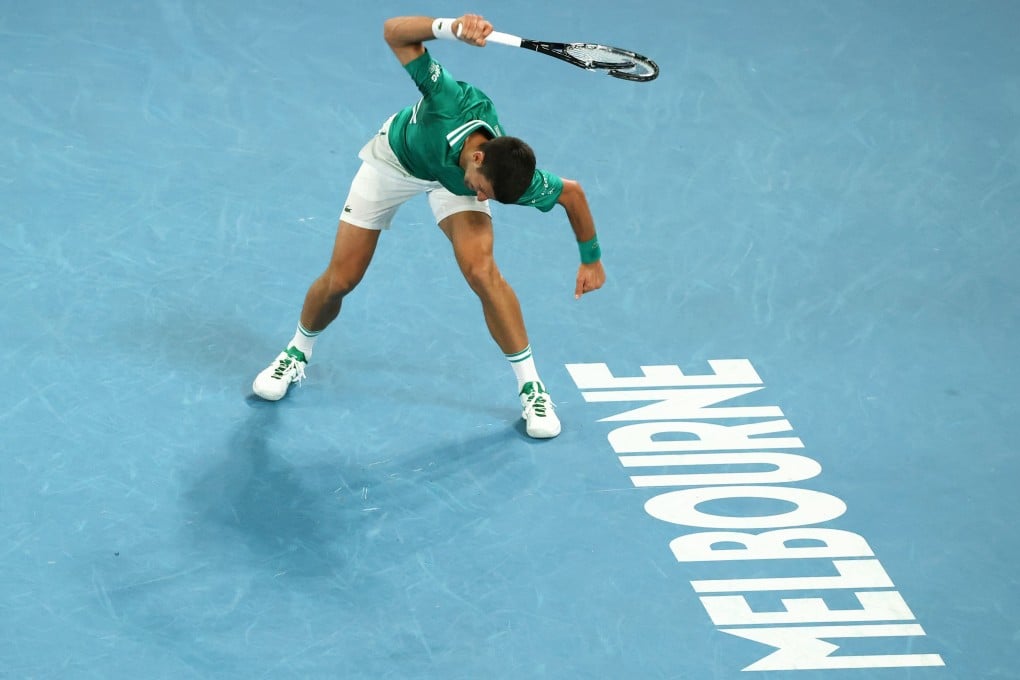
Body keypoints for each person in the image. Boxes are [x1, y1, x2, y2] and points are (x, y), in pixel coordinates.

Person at [252, 13, 605, 439]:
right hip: (395, 162)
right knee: (342, 278)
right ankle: (296, 352)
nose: (481, 199)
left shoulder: (503, 174)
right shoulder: (447, 100)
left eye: (488, 198)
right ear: (477, 158)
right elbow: (393, 32)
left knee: (483, 272)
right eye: (483, 191)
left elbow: (573, 194)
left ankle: (532, 387)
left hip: (450, 180)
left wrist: (592, 261)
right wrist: (450, 28)